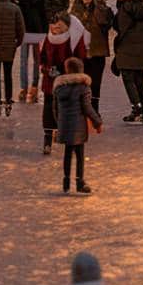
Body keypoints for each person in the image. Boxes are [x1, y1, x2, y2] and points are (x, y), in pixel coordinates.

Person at [53, 57, 103, 195]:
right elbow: (87, 108)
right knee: (80, 155)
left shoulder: (59, 88)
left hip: (64, 125)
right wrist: (97, 122)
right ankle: (80, 181)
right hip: (78, 127)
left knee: (67, 154)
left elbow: (55, 109)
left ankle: (66, 181)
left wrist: (60, 123)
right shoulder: (83, 88)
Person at [39, 13, 87, 154]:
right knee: (48, 108)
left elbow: (80, 59)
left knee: (64, 109)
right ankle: (47, 139)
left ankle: (65, 135)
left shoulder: (74, 39)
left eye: (59, 26)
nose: (55, 28)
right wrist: (47, 70)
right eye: (53, 25)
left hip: (67, 82)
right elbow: (42, 59)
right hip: (50, 82)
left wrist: (68, 72)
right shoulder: (47, 39)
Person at [70, 0, 112, 114]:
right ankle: (84, 109)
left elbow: (106, 23)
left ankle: (94, 110)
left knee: (95, 83)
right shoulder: (75, 10)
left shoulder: (101, 9)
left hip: (97, 51)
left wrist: (98, 4)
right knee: (83, 83)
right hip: (81, 53)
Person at [16, 0, 48, 105]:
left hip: (35, 30)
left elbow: (43, 13)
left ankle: (34, 86)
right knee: (23, 60)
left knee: (36, 60)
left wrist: (45, 31)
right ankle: (24, 87)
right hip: (23, 31)